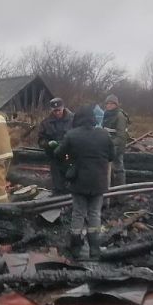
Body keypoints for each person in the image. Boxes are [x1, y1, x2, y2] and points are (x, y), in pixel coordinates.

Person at [56, 104, 115, 260]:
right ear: (93, 118)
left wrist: (69, 160)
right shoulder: (104, 134)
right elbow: (112, 156)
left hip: (79, 182)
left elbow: (58, 154)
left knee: (78, 213)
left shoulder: (71, 135)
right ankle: (94, 249)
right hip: (99, 182)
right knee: (95, 213)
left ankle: (76, 249)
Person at [37, 97, 74, 192]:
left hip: (71, 157)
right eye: (55, 111)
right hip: (54, 157)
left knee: (72, 182)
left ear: (63, 108)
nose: (57, 113)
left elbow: (79, 136)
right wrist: (47, 144)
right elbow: (41, 140)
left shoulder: (73, 120)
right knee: (57, 183)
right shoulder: (45, 123)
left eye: (59, 110)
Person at [102, 94, 130, 187]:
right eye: (107, 103)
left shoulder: (119, 116)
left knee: (118, 169)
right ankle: (110, 190)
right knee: (108, 170)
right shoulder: (106, 114)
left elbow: (121, 136)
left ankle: (120, 193)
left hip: (117, 147)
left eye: (111, 103)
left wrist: (110, 144)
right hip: (107, 146)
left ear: (116, 105)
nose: (109, 105)